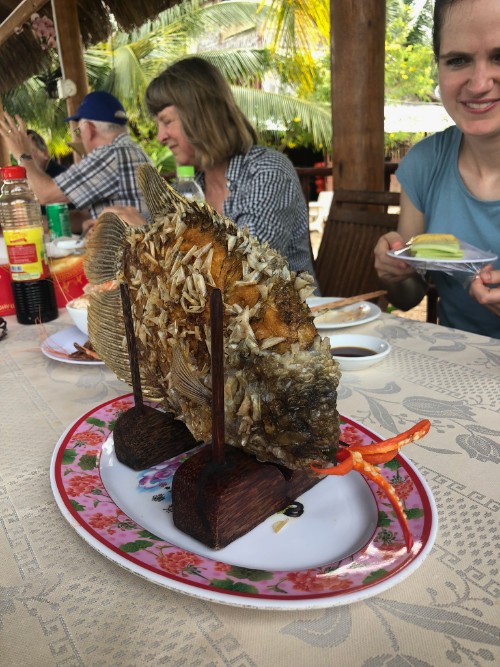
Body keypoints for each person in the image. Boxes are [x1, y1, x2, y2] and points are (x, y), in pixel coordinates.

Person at [373, 0, 500, 338]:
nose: (479, 83)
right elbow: (408, 296)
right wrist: (394, 271)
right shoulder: (425, 163)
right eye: (458, 60)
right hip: (458, 364)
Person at [144, 56, 316, 279]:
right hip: (218, 314)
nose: (160, 137)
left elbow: (249, 271)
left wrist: (150, 243)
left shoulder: (266, 171)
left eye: (166, 121)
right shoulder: (190, 185)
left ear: (201, 116)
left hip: (285, 312)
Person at [0, 91, 152, 230]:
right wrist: (30, 223)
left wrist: (22, 154)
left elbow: (44, 195)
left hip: (133, 251)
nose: (80, 136)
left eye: (79, 130)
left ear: (89, 129)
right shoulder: (129, 150)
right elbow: (84, 217)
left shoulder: (112, 154)